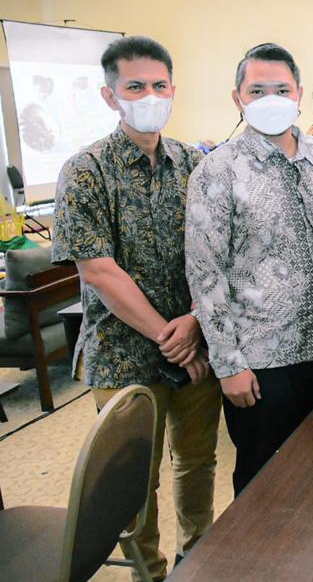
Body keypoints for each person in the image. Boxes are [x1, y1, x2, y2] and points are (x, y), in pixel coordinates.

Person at [52, 36, 220, 581]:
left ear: (173, 89)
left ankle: (198, 560)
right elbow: (99, 271)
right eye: (135, 86)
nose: (150, 96)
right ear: (110, 96)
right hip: (123, 352)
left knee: (197, 462)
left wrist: (194, 320)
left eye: (159, 85)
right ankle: (150, 573)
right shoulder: (85, 171)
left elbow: (217, 250)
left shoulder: (194, 164)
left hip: (196, 345)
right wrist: (169, 335)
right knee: (133, 483)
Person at [185, 43, 313, 495]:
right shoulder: (217, 170)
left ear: (299, 94)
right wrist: (228, 364)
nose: (271, 99)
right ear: (238, 98)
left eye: (282, 90)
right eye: (257, 90)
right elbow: (205, 274)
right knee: (265, 486)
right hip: (261, 361)